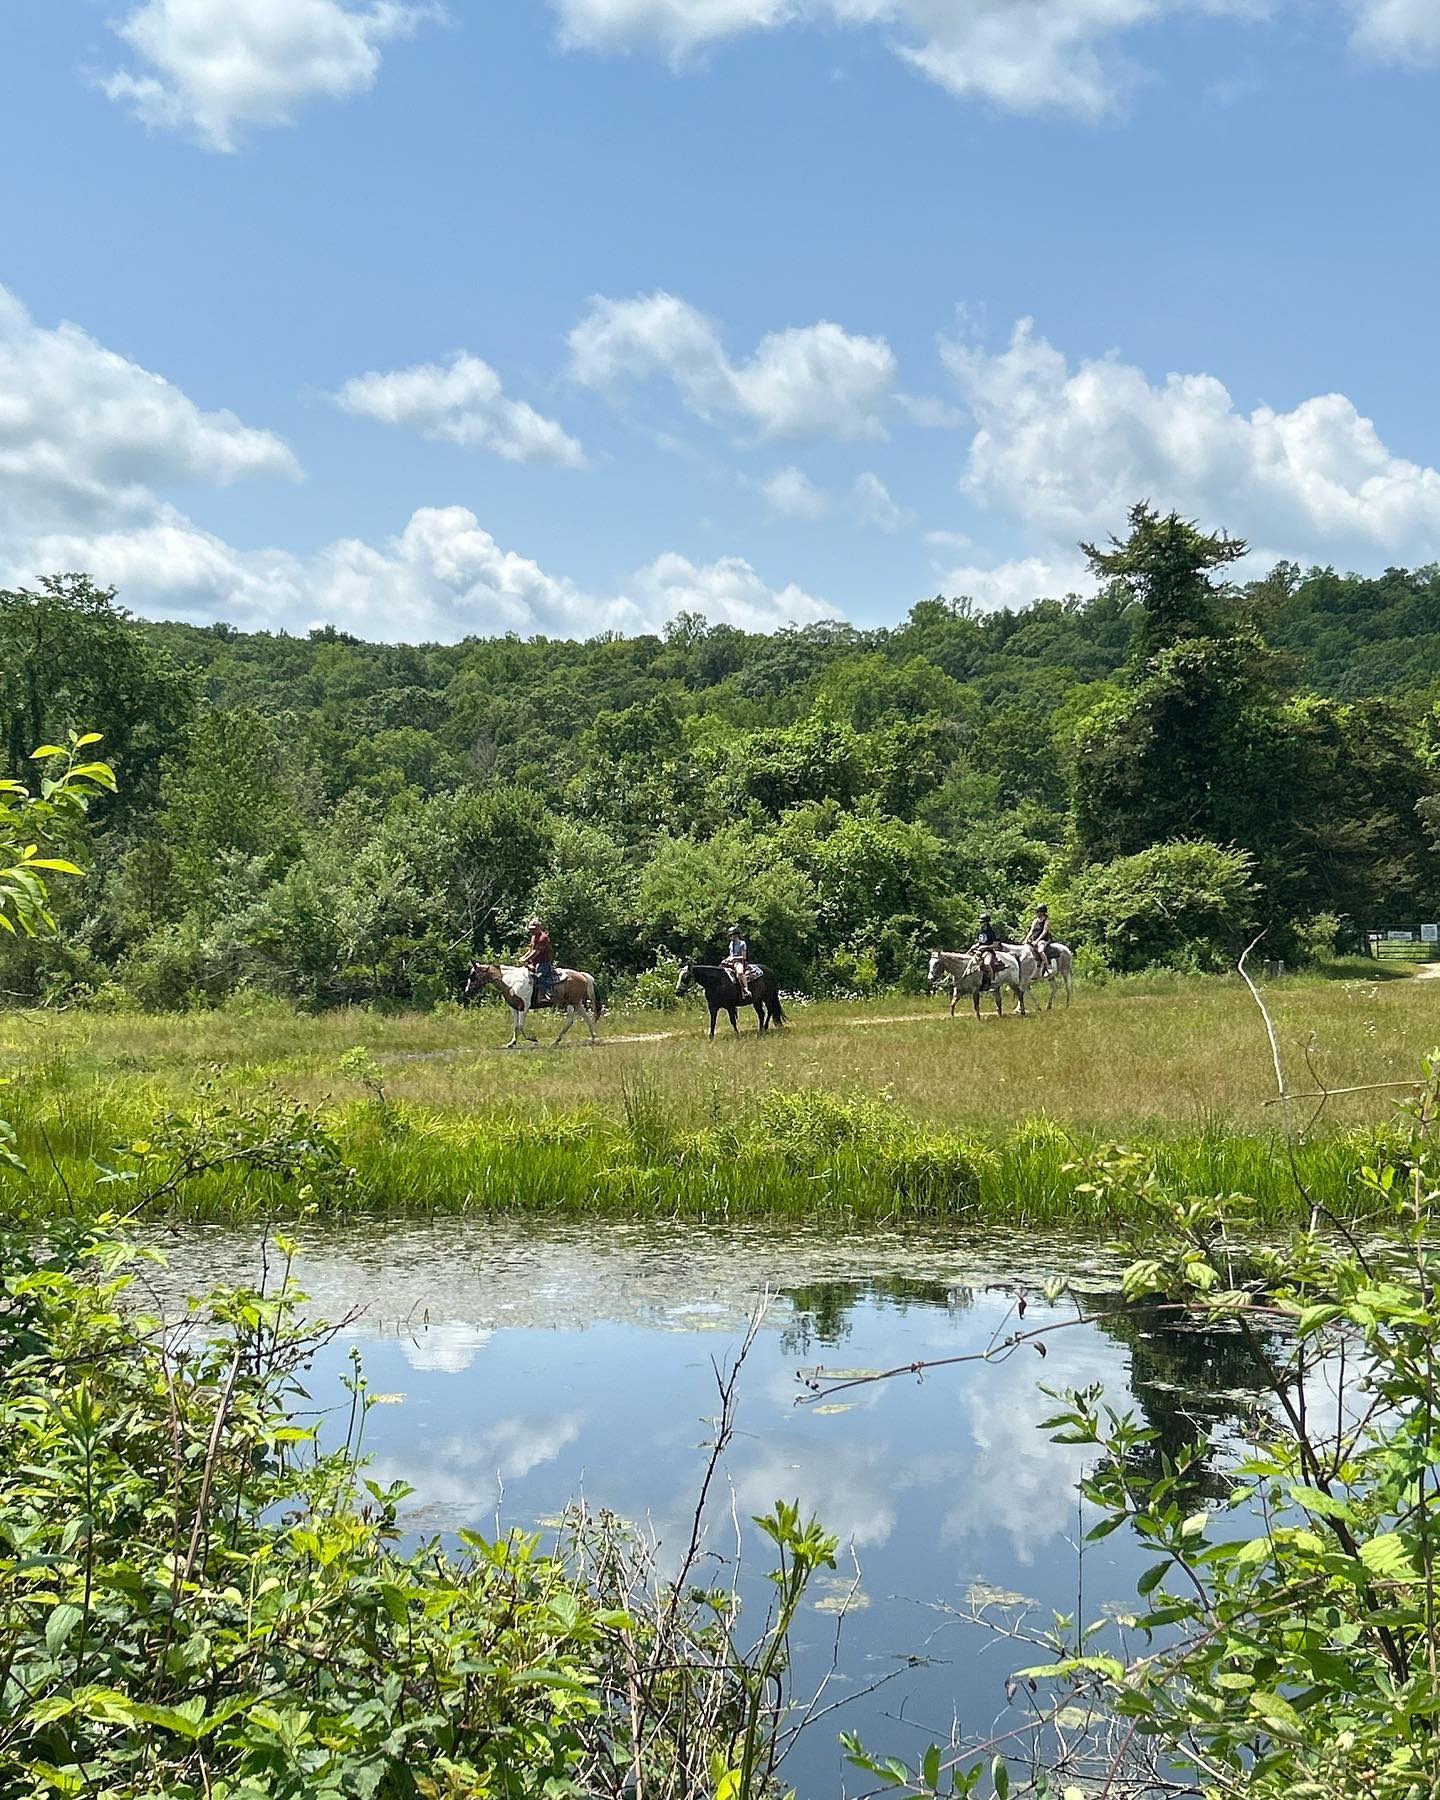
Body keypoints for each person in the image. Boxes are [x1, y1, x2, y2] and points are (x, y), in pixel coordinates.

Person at [522, 916, 556, 1002]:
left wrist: (525, 960)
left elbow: (536, 952)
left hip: (543, 962)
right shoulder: (534, 937)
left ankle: (548, 993)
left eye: (533, 929)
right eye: (530, 929)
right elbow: (531, 949)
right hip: (535, 962)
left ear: (539, 928)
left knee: (540, 976)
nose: (531, 931)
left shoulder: (543, 938)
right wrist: (523, 957)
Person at [971, 912, 1003, 987]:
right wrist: (974, 946)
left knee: (987, 964)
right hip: (979, 950)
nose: (980, 923)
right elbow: (980, 942)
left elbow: (995, 945)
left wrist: (985, 947)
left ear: (986, 922)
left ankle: (992, 981)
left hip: (988, 951)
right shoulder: (980, 931)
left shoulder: (992, 932)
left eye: (982, 922)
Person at [722, 923, 753, 1000]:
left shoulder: (742, 943)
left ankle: (746, 989)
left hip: (739, 962)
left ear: (736, 935)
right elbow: (731, 955)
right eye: (730, 935)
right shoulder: (731, 944)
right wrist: (726, 959)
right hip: (732, 962)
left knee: (739, 973)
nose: (730, 937)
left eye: (731, 935)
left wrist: (733, 958)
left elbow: (744, 957)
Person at [1026, 902, 1055, 970]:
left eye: (1038, 911)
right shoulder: (1035, 920)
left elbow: (1044, 932)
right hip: (1034, 939)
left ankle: (1047, 966)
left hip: (1043, 940)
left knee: (1040, 951)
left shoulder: (1046, 920)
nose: (1036, 913)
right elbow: (1031, 931)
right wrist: (1026, 939)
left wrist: (1037, 941)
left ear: (1042, 912)